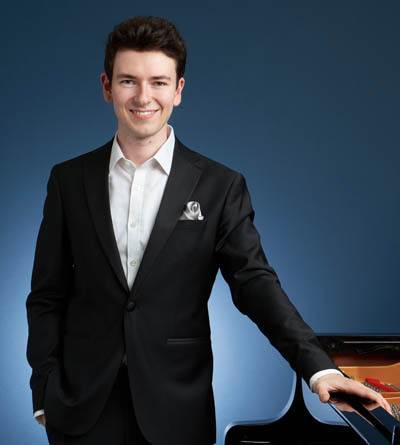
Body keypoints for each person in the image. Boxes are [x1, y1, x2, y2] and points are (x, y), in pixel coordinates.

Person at [26, 15, 390, 445]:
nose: (143, 96)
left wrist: (319, 368)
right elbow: (47, 295)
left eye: (159, 82)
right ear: (107, 87)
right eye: (128, 81)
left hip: (177, 411)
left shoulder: (220, 186)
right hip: (81, 411)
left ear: (178, 90)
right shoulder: (69, 181)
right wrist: (44, 393)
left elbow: (255, 283)